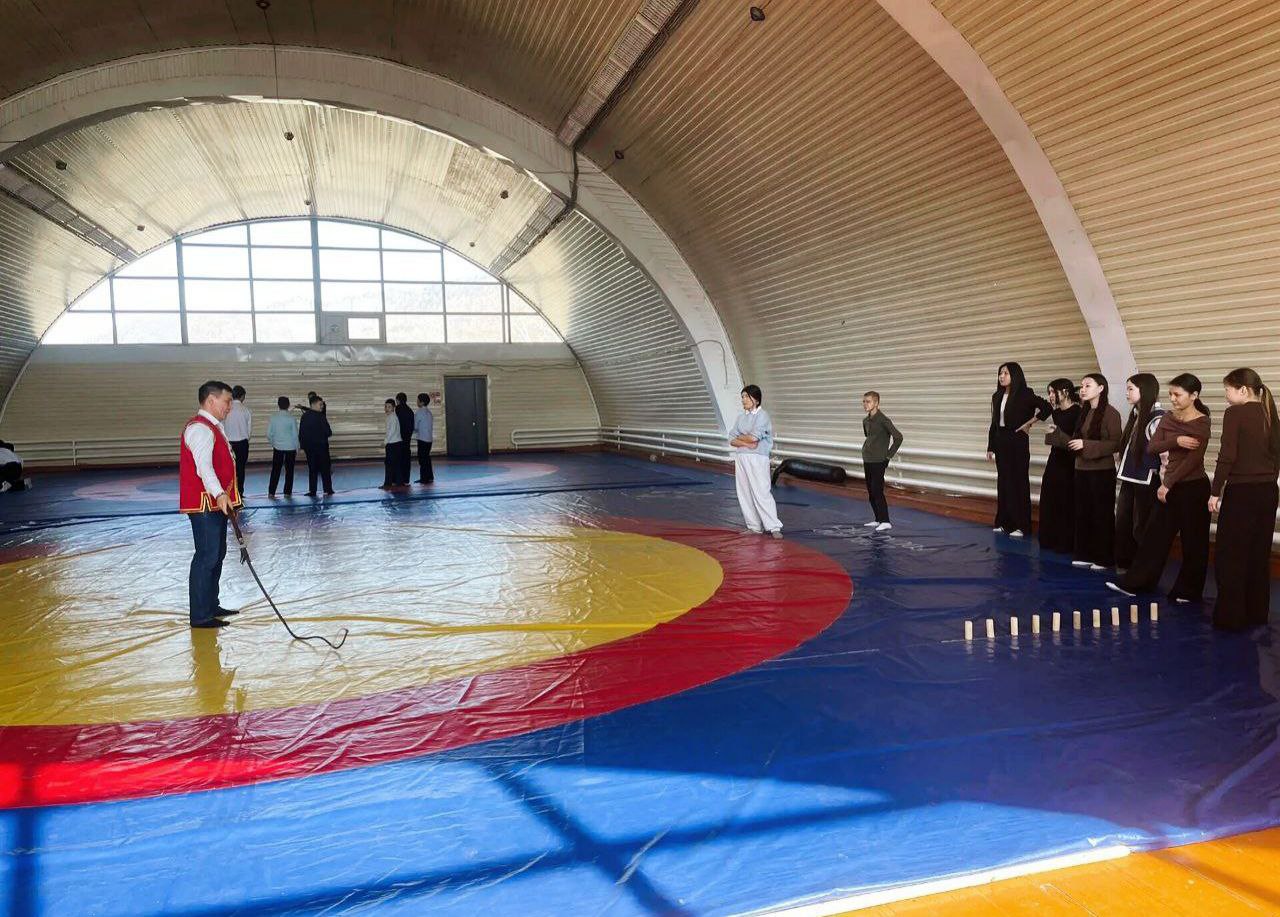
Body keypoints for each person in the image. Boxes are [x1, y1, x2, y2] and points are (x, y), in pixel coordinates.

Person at [1107, 373, 1211, 602]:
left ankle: (1189, 591)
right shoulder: (1168, 418)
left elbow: (1193, 460)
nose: (1172, 399)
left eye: (1178, 395)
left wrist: (1167, 484)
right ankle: (1137, 583)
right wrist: (1177, 441)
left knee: (1194, 542)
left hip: (1192, 486)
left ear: (1193, 396)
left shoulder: (1202, 421)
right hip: (1170, 485)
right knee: (1155, 537)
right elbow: (1153, 447)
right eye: (1171, 394)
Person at [1209, 368, 1280, 631]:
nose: (1226, 396)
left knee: (1231, 554)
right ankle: (1257, 612)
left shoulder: (1235, 414)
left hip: (1242, 492)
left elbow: (1227, 455)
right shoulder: (1270, 414)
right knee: (1258, 554)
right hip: (1268, 491)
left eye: (1228, 390)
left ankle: (1231, 616)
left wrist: (1215, 490)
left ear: (1242, 390)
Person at [179, 381, 243, 628]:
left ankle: (210, 604)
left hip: (214, 504)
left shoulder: (214, 427)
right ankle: (200, 615)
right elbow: (204, 468)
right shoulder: (200, 429)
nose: (229, 407)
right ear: (210, 401)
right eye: (227, 401)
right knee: (207, 556)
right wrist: (219, 494)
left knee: (217, 554)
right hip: (205, 504)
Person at [1051, 372, 1121, 570]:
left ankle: (1104, 557)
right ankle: (1084, 553)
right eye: (1081, 386)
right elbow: (1076, 443)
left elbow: (1115, 444)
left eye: (1087, 385)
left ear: (1101, 388)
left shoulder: (1111, 413)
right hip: (1081, 469)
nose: (1082, 389)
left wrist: (1086, 444)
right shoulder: (1084, 412)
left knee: (1102, 514)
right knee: (1082, 512)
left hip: (1102, 471)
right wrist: (1058, 435)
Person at [987, 362, 1052, 537]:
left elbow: (1047, 408)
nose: (1002, 376)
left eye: (1006, 373)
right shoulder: (996, 396)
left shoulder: (1025, 394)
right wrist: (990, 446)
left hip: (1017, 441)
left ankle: (1021, 525)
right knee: (1003, 482)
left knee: (1018, 483)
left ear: (1015, 375)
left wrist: (1030, 423)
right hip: (1001, 441)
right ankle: (1004, 522)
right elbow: (994, 423)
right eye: (1000, 373)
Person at [1115, 374, 1164, 570]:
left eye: (1131, 389)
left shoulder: (1157, 418)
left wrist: (1165, 483)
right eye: (1127, 389)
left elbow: (1164, 455)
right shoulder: (1135, 415)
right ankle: (1126, 566)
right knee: (1123, 522)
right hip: (1130, 479)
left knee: (1141, 527)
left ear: (1145, 390)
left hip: (1147, 481)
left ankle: (1142, 571)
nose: (1127, 393)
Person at [730, 385, 782, 538]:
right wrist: (747, 443)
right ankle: (753, 526)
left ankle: (773, 527)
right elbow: (731, 439)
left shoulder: (762, 416)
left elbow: (754, 437)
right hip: (742, 458)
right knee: (744, 492)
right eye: (742, 397)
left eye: (746, 396)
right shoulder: (741, 418)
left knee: (761, 491)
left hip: (758, 458)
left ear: (756, 399)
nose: (743, 400)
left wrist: (742, 438)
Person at [1037, 379, 1080, 554]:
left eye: (1053, 392)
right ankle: (1050, 538)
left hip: (1070, 461)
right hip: (1055, 458)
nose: (1051, 396)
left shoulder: (1078, 412)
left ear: (1065, 392)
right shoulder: (1056, 413)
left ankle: (1065, 541)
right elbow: (1054, 440)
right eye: (1049, 392)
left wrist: (1057, 434)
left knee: (1065, 499)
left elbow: (1074, 441)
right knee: (1050, 495)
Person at [860, 391, 903, 531]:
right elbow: (869, 437)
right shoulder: (865, 421)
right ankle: (878, 519)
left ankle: (886, 521)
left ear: (876, 403)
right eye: (864, 401)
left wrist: (888, 456)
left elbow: (898, 437)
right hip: (867, 459)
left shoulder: (884, 420)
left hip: (879, 461)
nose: (865, 404)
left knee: (877, 490)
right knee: (870, 491)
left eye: (868, 401)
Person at [299, 394, 334, 496]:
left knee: (312, 469)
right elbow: (328, 432)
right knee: (325, 469)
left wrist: (302, 446)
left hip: (309, 448)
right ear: (313, 404)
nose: (322, 406)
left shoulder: (304, 416)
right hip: (322, 447)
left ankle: (312, 490)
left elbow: (301, 433)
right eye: (320, 404)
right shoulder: (321, 417)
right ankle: (328, 489)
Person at [266, 396, 299, 497]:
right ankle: (287, 493)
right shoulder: (291, 418)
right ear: (288, 405)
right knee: (290, 470)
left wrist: (274, 443)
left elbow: (269, 434)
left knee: (275, 470)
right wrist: (297, 447)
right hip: (290, 448)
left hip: (278, 448)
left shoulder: (273, 417)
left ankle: (271, 492)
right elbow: (295, 435)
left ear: (278, 405)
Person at [224, 384, 252, 497]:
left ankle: (228, 492)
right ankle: (240, 492)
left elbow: (221, 426)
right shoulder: (246, 410)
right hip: (242, 443)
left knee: (228, 469)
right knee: (241, 469)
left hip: (228, 443)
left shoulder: (226, 409)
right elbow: (249, 431)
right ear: (242, 396)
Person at [382, 398, 404, 488]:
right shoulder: (389, 417)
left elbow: (391, 431)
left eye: (389, 407)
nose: (387, 408)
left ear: (393, 407)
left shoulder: (393, 417)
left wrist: (385, 442)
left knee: (389, 464)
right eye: (386, 407)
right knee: (396, 464)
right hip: (394, 443)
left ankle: (388, 483)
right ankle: (398, 482)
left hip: (393, 444)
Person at [394, 393, 415, 484]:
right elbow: (412, 425)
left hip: (399, 438)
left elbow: (397, 423)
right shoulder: (410, 410)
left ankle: (399, 479)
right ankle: (406, 479)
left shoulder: (398, 409)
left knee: (398, 459)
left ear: (398, 400)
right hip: (407, 438)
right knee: (406, 459)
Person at [414, 393, 435, 484]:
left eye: (418, 400)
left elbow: (415, 427)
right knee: (427, 458)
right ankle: (430, 476)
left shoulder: (419, 412)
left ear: (422, 402)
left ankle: (424, 478)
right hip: (429, 439)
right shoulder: (429, 413)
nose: (417, 402)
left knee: (422, 459)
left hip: (422, 438)